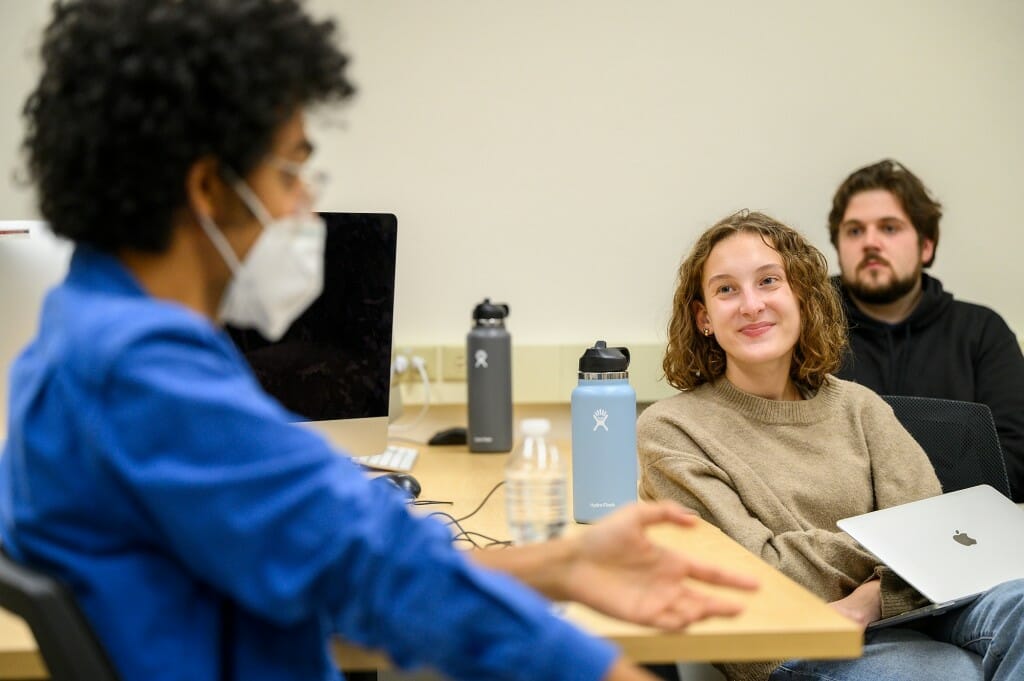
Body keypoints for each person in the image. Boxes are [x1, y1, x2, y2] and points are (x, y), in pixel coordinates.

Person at [0, 2, 757, 681]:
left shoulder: (80, 338)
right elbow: (374, 569)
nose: (308, 201)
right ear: (207, 189)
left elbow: (320, 552)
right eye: (292, 169)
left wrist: (563, 562)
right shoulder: (143, 374)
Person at [637, 210, 1024, 681]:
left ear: (800, 296)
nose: (751, 304)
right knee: (955, 675)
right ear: (703, 318)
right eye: (725, 289)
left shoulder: (860, 408)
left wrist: (869, 598)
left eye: (769, 281)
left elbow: (936, 547)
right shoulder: (672, 430)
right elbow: (759, 573)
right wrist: (890, 546)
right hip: (794, 640)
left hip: (916, 613)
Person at [828, 159, 1024, 501]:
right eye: (855, 230)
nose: (870, 242)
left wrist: (916, 500)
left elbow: (1016, 455)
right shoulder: (805, 327)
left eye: (889, 228)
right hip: (834, 529)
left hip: (960, 532)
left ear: (926, 246)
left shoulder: (981, 332)